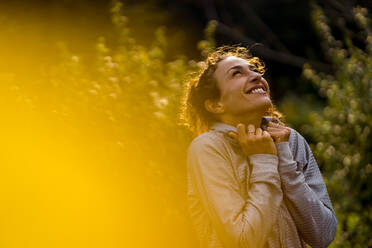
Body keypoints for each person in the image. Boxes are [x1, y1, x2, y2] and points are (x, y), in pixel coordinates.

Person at [181, 46, 337, 248]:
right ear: (216, 105)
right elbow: (243, 240)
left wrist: (284, 160)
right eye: (236, 74)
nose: (256, 76)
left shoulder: (290, 140)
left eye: (254, 69)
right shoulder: (209, 147)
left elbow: (323, 235)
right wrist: (264, 160)